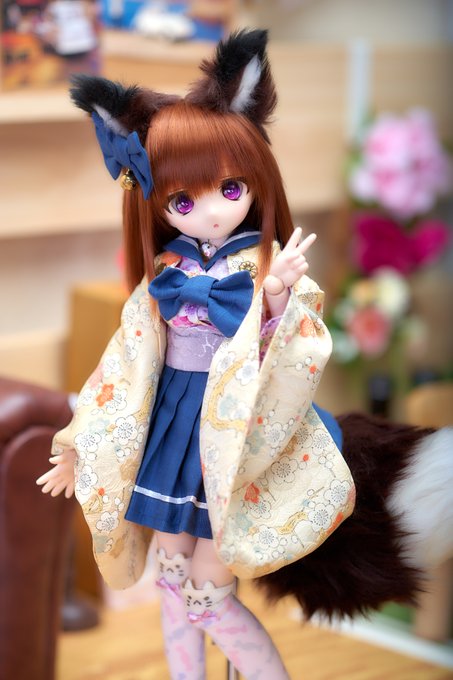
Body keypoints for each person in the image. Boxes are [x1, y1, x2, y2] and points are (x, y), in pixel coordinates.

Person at [37, 27, 453, 679]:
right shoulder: (165, 275)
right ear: (156, 202)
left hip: (233, 437)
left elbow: (295, 350)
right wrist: (76, 443)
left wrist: (276, 297)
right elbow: (123, 365)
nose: (209, 213)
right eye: (182, 200)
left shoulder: (263, 267)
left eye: (229, 190)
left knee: (209, 591)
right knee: (171, 577)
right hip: (171, 430)